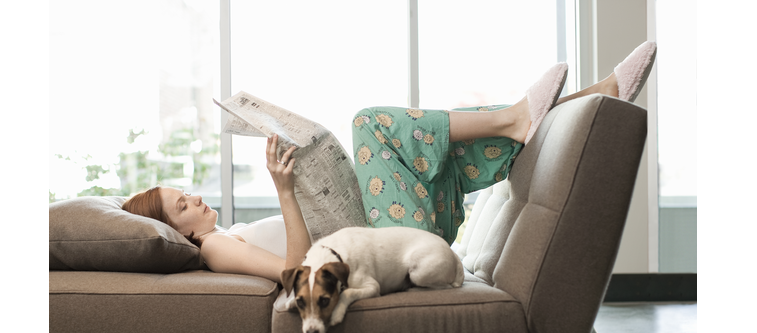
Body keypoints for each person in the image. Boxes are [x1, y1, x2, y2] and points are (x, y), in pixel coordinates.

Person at [123, 41, 657, 282]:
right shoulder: (215, 248)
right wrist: (285, 190)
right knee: (369, 124)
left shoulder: (228, 234)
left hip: (394, 233)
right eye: (181, 204)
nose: (193, 197)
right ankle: (522, 116)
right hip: (387, 248)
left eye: (184, 192)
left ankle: (589, 98)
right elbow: (292, 273)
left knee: (441, 148)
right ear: (176, 230)